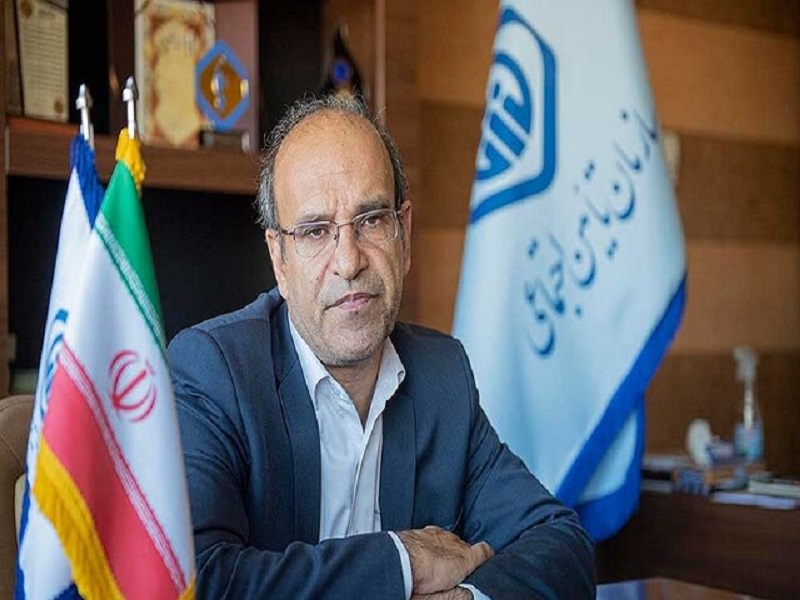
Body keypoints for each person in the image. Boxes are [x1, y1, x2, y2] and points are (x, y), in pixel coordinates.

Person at [168, 95, 595, 599]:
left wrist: (463, 599)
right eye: (315, 231)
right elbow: (200, 581)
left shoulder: (442, 377)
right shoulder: (214, 372)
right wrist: (402, 560)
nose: (349, 261)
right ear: (279, 259)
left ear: (403, 234)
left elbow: (560, 544)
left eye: (371, 219)